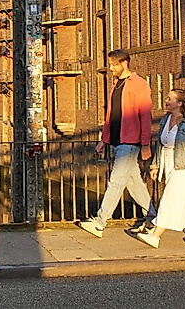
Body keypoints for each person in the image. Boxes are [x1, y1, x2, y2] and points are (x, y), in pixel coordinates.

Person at [78, 49, 156, 237]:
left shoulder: (139, 85)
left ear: (124, 63)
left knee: (116, 181)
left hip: (130, 141)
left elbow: (145, 115)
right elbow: (111, 116)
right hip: (119, 140)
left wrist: (145, 144)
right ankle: (153, 219)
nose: (111, 68)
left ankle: (100, 222)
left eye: (114, 65)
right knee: (134, 182)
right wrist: (104, 140)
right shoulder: (117, 85)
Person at [136, 87, 185, 248]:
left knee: (170, 197)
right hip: (169, 162)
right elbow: (161, 144)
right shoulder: (166, 120)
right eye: (166, 98)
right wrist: (156, 165)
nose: (166, 101)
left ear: (180, 103)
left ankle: (155, 235)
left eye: (170, 99)